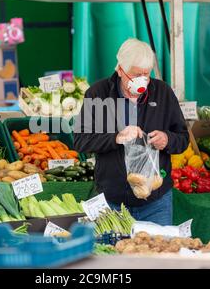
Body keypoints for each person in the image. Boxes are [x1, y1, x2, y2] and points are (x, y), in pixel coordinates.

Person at [73, 38, 189, 226]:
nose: (142, 80)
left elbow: (183, 138)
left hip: (156, 202)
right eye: (136, 75)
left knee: (158, 252)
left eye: (146, 74)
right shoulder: (97, 93)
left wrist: (167, 139)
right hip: (112, 201)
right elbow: (81, 141)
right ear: (120, 69)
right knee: (113, 252)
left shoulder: (163, 93)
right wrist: (116, 138)